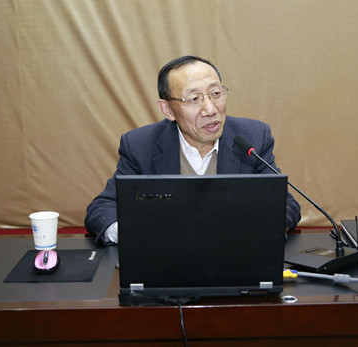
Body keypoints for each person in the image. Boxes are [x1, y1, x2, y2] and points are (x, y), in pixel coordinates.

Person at [85, 55, 301, 244]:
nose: (210, 109)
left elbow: (286, 205)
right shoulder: (141, 145)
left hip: (235, 256)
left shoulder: (253, 137)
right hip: (167, 262)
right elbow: (102, 208)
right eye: (194, 99)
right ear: (168, 110)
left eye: (216, 93)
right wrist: (141, 233)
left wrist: (248, 230)